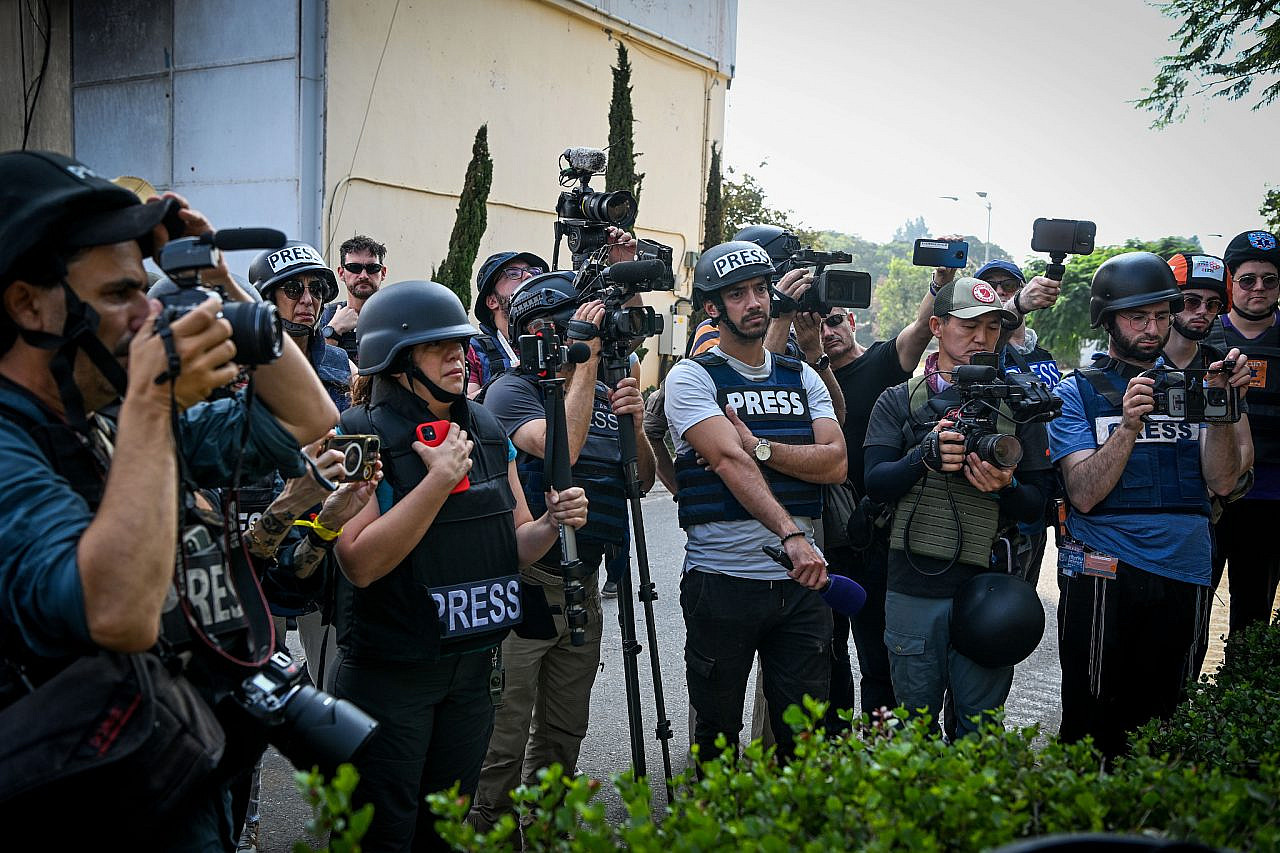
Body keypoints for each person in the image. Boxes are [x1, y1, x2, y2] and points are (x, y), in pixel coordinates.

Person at [0, 150, 338, 848]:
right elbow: (115, 612)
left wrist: (213, 272)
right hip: (78, 809)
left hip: (167, 772)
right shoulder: (14, 444)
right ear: (29, 304)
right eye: (122, 293)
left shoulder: (105, 422)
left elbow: (310, 416)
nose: (149, 313)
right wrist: (152, 402)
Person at [331, 279, 587, 851]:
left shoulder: (486, 428)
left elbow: (516, 542)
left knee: (445, 831)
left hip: (471, 671)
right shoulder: (360, 431)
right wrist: (439, 480)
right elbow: (359, 562)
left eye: (460, 344)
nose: (458, 356)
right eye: (437, 346)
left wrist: (553, 522)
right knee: (380, 833)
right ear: (396, 362)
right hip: (391, 673)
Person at [469, 270, 654, 831]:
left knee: (561, 739)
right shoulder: (510, 391)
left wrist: (635, 423)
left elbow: (639, 482)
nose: (577, 333)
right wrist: (589, 364)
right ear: (534, 333)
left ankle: (547, 837)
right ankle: (491, 839)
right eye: (565, 325)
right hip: (527, 586)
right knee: (500, 744)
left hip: (585, 584)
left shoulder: (596, 391)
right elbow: (560, 452)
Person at [1048, 251, 1251, 759]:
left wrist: (1223, 408)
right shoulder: (1077, 392)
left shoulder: (1199, 386)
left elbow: (1223, 483)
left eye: (1162, 315)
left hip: (1185, 569)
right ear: (1108, 318)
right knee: (1091, 721)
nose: (1152, 328)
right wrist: (1128, 426)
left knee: (1166, 719)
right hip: (1104, 573)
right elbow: (1084, 493)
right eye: (1138, 316)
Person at [664, 240, 846, 760]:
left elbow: (836, 462)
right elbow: (726, 461)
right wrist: (790, 533)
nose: (755, 302)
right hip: (722, 584)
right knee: (717, 740)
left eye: (761, 290)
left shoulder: (802, 374)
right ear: (712, 308)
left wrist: (761, 446)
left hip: (800, 586)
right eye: (737, 294)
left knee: (801, 743)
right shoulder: (691, 377)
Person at [863, 277, 1053, 739]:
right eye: (969, 325)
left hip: (990, 591)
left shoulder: (1016, 405)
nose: (982, 338)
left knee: (981, 732)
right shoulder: (899, 400)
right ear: (937, 326)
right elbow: (873, 480)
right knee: (913, 731)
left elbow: (1038, 506)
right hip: (913, 583)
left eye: (993, 327)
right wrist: (922, 457)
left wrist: (1005, 486)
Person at [820, 255, 940, 724]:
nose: (828, 331)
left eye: (834, 321)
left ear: (852, 320)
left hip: (874, 531)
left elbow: (919, 333)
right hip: (824, 530)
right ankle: (829, 750)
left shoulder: (880, 363)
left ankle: (878, 754)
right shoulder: (804, 374)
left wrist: (939, 280)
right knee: (825, 653)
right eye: (818, 323)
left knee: (876, 653)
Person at [1206, 230, 1280, 633]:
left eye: (1270, 280)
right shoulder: (1204, 337)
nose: (1259, 289)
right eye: (1247, 279)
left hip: (1271, 501)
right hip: (1211, 501)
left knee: (1253, 616)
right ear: (1231, 281)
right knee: (1194, 610)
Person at [977, 259, 1063, 587]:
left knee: (1024, 592)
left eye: (1008, 286)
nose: (999, 291)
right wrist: (1015, 306)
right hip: (998, 483)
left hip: (1039, 483)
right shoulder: (983, 350)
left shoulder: (1042, 354)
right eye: (990, 287)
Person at [465, 250, 548, 395]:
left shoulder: (556, 337)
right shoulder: (474, 349)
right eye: (514, 273)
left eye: (534, 272)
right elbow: (467, 407)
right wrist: (512, 377)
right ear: (492, 301)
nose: (528, 276)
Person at [320, 234, 387, 364]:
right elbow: (310, 369)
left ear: (383, 273)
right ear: (341, 273)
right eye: (354, 268)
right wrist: (333, 331)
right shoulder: (324, 317)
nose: (363, 275)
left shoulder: (397, 318)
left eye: (372, 268)